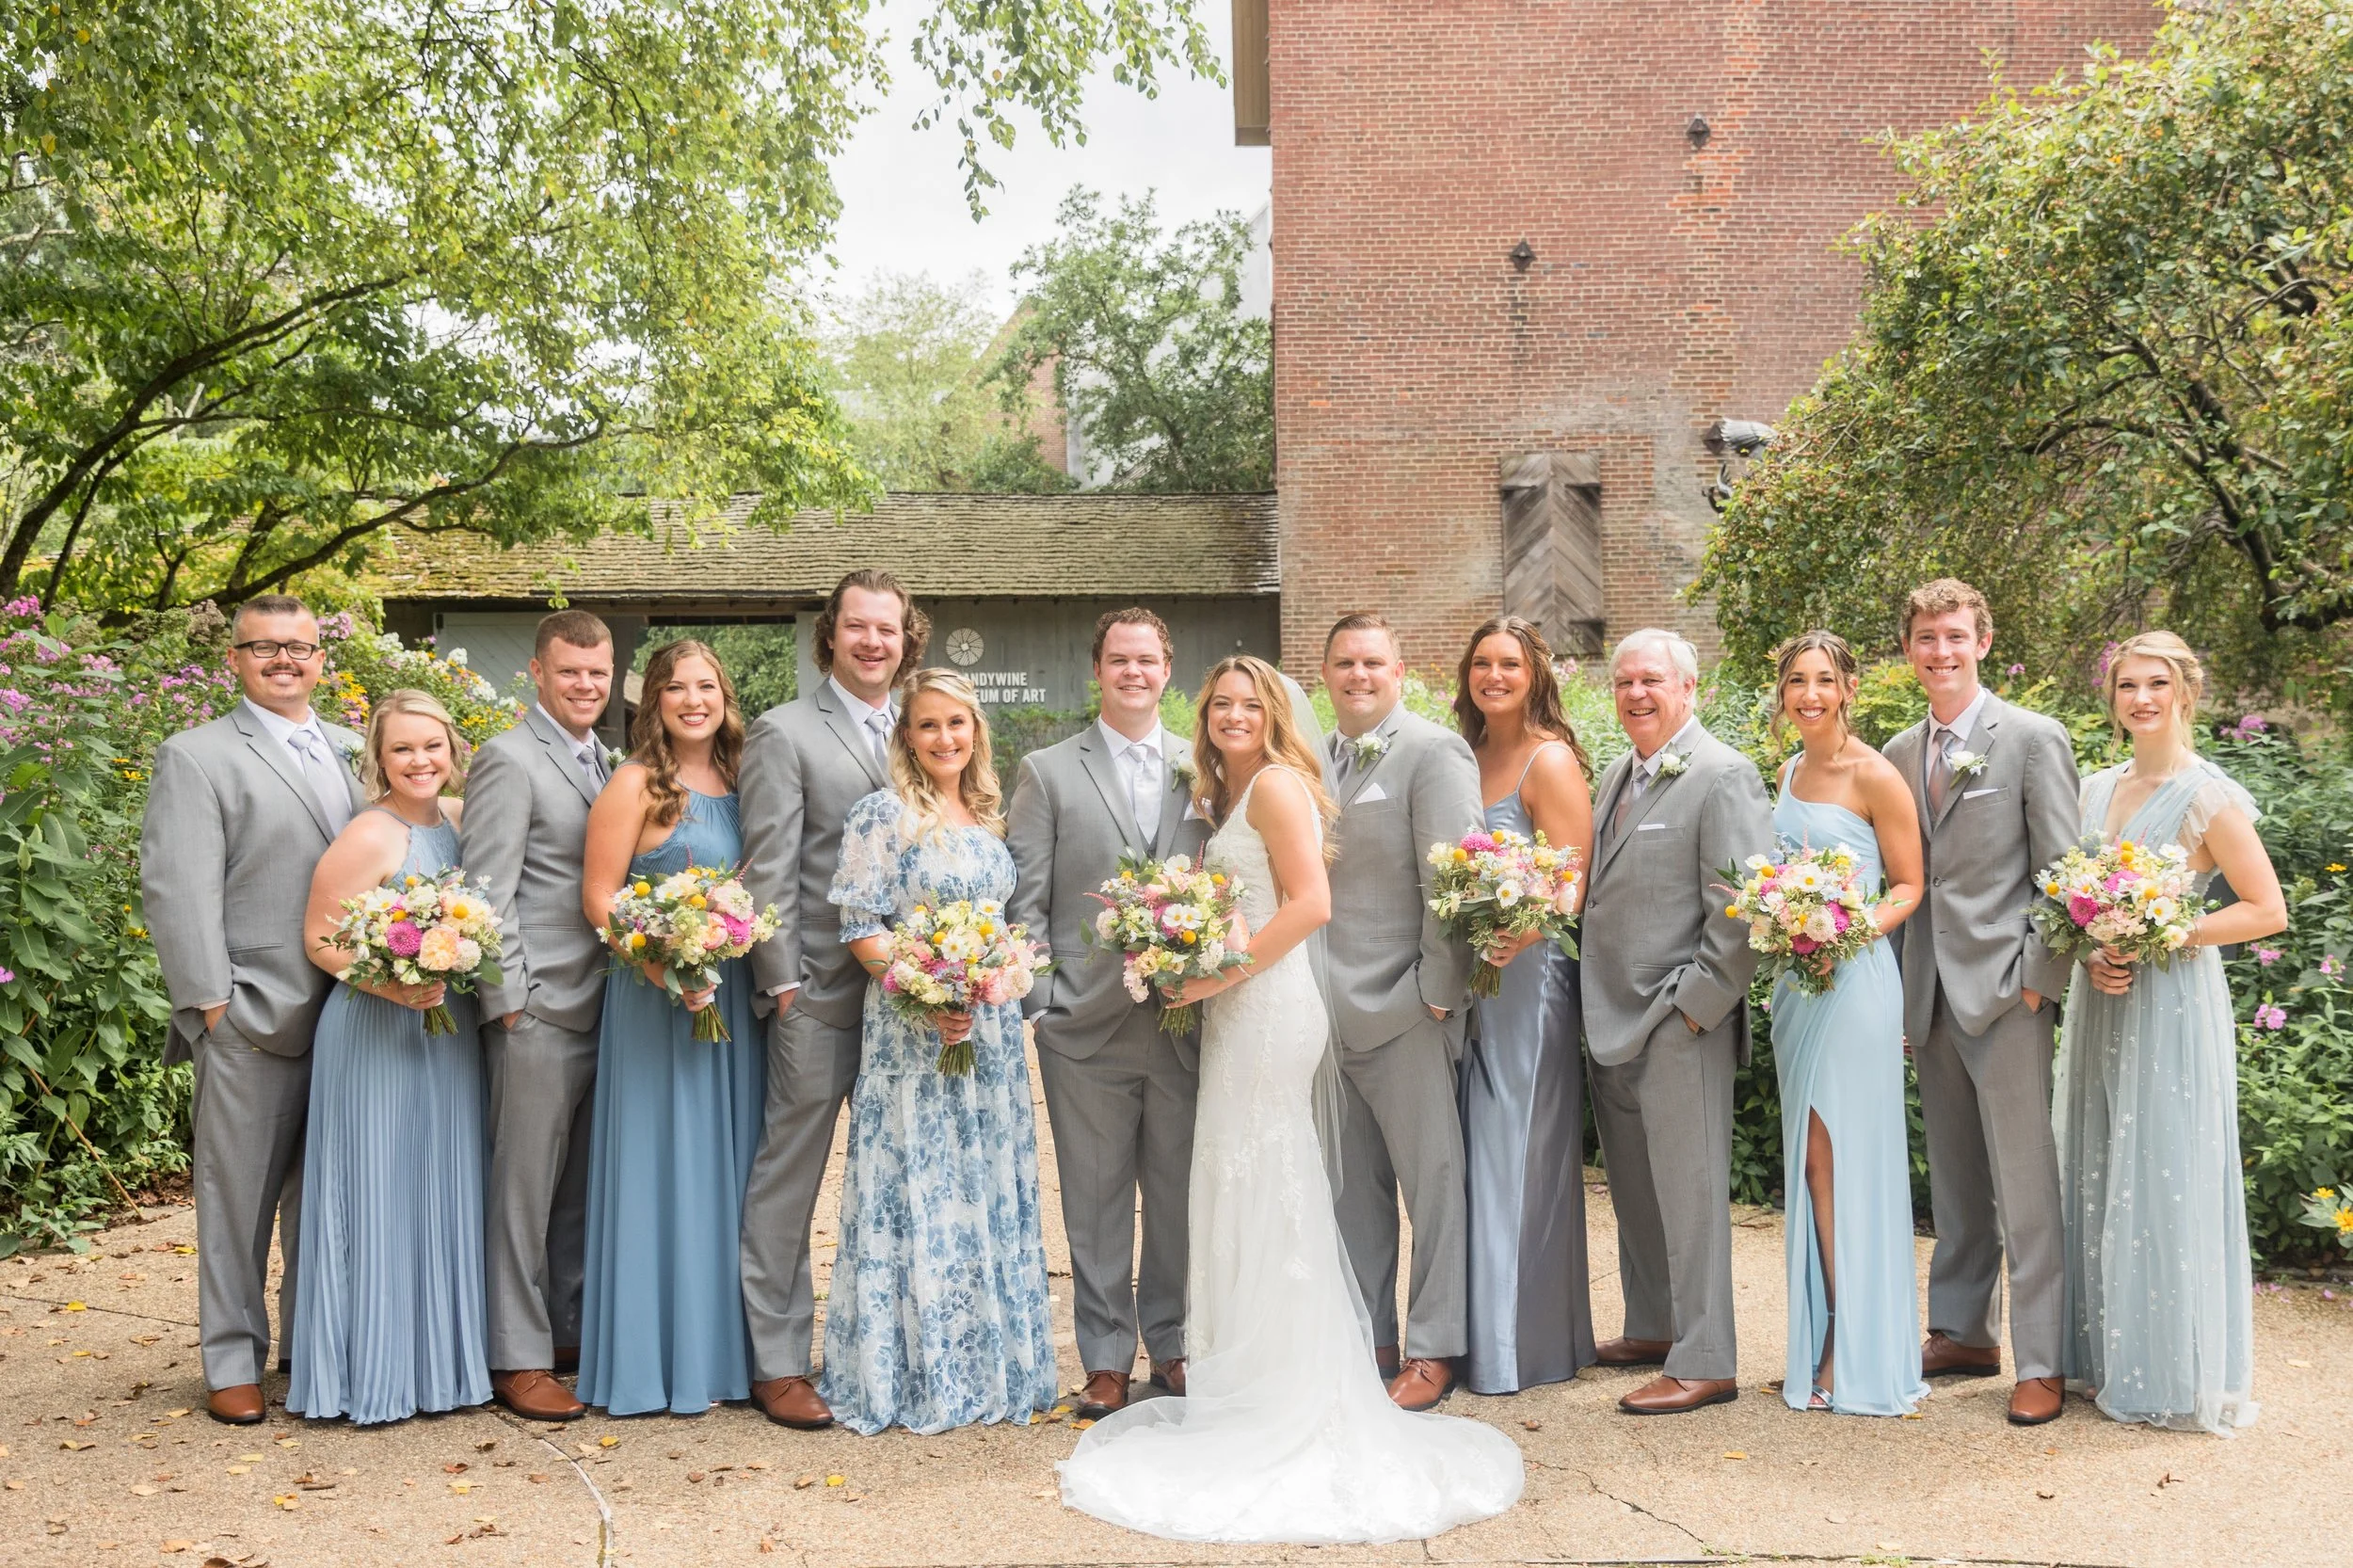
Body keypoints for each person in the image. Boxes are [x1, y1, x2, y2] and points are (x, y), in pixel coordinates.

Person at [1057, 656, 1523, 1544]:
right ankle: (1249, 1380)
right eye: (1221, 703)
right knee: (1238, 1184)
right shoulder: (1225, 794)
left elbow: (1311, 904)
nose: (1234, 714)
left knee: (1264, 1179)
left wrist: (1213, 975)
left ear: (1276, 715)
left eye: (1250, 703)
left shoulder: (1274, 785)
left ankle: (1290, 1391)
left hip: (1267, 1010)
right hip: (1237, 1010)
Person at [140, 594, 365, 1425]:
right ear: (233, 659)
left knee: (326, 1195)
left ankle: (311, 1349)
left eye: (299, 648)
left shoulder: (352, 750)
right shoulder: (195, 756)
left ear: (320, 659)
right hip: (249, 1015)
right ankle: (231, 1359)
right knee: (237, 1200)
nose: (284, 661)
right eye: (265, 647)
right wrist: (210, 1005)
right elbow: (177, 887)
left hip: (353, 1013)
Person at [819, 670, 1059, 1433]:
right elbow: (861, 925)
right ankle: (912, 1374)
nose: (945, 738)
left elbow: (1005, 924)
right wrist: (929, 990)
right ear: (906, 737)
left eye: (958, 723)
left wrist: (993, 979)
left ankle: (990, 1367)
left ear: (976, 731)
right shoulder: (882, 814)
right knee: (917, 1186)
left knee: (984, 1184)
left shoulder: (989, 816)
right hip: (909, 1032)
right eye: (928, 726)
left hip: (986, 1032)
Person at [2057, 632, 2282, 1435]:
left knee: (2162, 1167)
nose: (2141, 699)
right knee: (2097, 1161)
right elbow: (2073, 907)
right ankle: (2103, 1356)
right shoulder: (2089, 789)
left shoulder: (2205, 796)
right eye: (2127, 686)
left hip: (2173, 1004)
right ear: (2111, 697)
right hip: (2104, 998)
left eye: (2157, 684)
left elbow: (2265, 908)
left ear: (2185, 693)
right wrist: (2089, 952)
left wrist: (2165, 932)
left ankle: (2168, 1370)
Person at [1882, 579, 2079, 1426]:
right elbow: (1900, 881)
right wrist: (1895, 999)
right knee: (1957, 1184)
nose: (1941, 651)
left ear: (1983, 643)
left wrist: (2037, 981)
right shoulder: (1895, 751)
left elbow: (2066, 875)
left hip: (2006, 995)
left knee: (2026, 1185)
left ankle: (2042, 1359)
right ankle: (1963, 1330)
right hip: (1926, 997)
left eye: (1955, 636)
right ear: (1908, 651)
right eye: (1927, 638)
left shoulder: (2033, 740)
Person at [1007, 609, 1207, 1420]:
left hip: (1186, 1022)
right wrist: (1042, 1003)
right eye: (1119, 660)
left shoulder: (1209, 767)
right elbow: (1026, 895)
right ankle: (1103, 1359)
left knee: (1178, 1196)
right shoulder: (1049, 771)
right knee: (1091, 1199)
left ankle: (1175, 1344)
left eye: (1147, 659)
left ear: (1168, 670)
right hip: (1082, 1025)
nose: (1133, 672)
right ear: (1099, 671)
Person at [737, 569, 925, 1429]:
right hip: (819, 993)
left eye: (886, 629)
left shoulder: (924, 726)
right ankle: (777, 1363)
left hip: (916, 1004)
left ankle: (891, 1348)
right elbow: (769, 866)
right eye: (858, 628)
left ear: (906, 636)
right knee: (790, 1178)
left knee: (900, 1181)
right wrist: (782, 983)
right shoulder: (784, 732)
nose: (873, 642)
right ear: (831, 634)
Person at [286, 691, 490, 1424]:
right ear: (379, 758)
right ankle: (367, 1374)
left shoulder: (462, 823)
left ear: (452, 749)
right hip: (377, 1030)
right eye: (402, 749)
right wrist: (392, 986)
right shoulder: (370, 835)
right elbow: (319, 938)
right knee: (377, 1191)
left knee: (438, 1189)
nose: (419, 761)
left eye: (431, 746)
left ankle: (439, 1370)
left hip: (448, 1030)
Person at [1581, 628, 1771, 1416]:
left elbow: (1741, 911)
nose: (1636, 694)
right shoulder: (1616, 774)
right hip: (1609, 1015)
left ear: (1689, 689)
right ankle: (1656, 1325)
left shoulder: (1724, 775)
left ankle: (1707, 1358)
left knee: (1690, 1196)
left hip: (1678, 1019)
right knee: (1636, 1191)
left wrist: (1691, 1012)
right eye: (1624, 682)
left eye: (1652, 680)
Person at [575, 641, 766, 1416]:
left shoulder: (747, 780)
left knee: (732, 1172)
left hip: (732, 998)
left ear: (725, 694)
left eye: (708, 686)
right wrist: (664, 969)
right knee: (665, 1171)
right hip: (657, 1003)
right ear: (653, 701)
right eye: (677, 688)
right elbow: (599, 899)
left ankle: (728, 1355)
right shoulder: (634, 785)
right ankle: (653, 1362)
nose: (694, 700)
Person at [1317, 612, 1485, 1411]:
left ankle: (1435, 1346)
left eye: (1373, 662)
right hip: (1328, 1011)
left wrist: (1437, 993)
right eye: (1345, 662)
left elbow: (1457, 880)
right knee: (1353, 1191)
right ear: (1326, 672)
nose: (1359, 675)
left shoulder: (1431, 750)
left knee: (1434, 1184)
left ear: (1400, 669)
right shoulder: (1315, 756)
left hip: (1408, 1006)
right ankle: (1371, 1337)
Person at [1764, 632, 1929, 1416]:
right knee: (1809, 1162)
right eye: (1797, 681)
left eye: (1824, 680)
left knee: (1839, 1157)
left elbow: (1908, 885)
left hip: (1856, 980)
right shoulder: (1788, 770)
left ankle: (1852, 1344)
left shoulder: (1876, 775)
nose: (1810, 694)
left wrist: (1844, 931)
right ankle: (1825, 1326)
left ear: (1849, 688)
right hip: (1797, 987)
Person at [460, 610, 616, 1422]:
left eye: (597, 673)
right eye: (570, 673)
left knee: (574, 1191)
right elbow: (486, 892)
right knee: (520, 1189)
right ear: (537, 673)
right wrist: (509, 1004)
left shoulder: (603, 761)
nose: (586, 686)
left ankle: (561, 1332)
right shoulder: (508, 758)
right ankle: (513, 1357)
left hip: (602, 1007)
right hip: (538, 1009)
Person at [1449, 616, 1597, 1395]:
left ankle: (1512, 1348)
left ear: (1535, 673)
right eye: (1482, 663)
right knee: (1473, 1156)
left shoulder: (1551, 761)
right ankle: (1475, 1334)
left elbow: (1573, 880)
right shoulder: (1461, 755)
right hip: (1468, 982)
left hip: (1530, 982)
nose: (1494, 676)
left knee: (1515, 1154)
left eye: (1509, 663)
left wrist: (1521, 932)